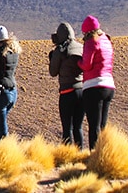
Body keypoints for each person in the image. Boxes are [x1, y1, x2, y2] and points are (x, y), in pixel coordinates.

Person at [78, 15, 115, 150]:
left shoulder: (91, 42)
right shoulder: (106, 40)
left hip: (94, 86)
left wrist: (78, 62)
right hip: (109, 85)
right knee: (102, 126)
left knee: (94, 126)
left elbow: (86, 65)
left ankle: (94, 155)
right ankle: (104, 153)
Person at [48, 22, 84, 148]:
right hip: (81, 90)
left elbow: (53, 72)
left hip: (66, 92)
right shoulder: (81, 47)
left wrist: (52, 58)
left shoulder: (60, 50)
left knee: (67, 128)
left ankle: (67, 155)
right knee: (78, 127)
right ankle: (80, 153)